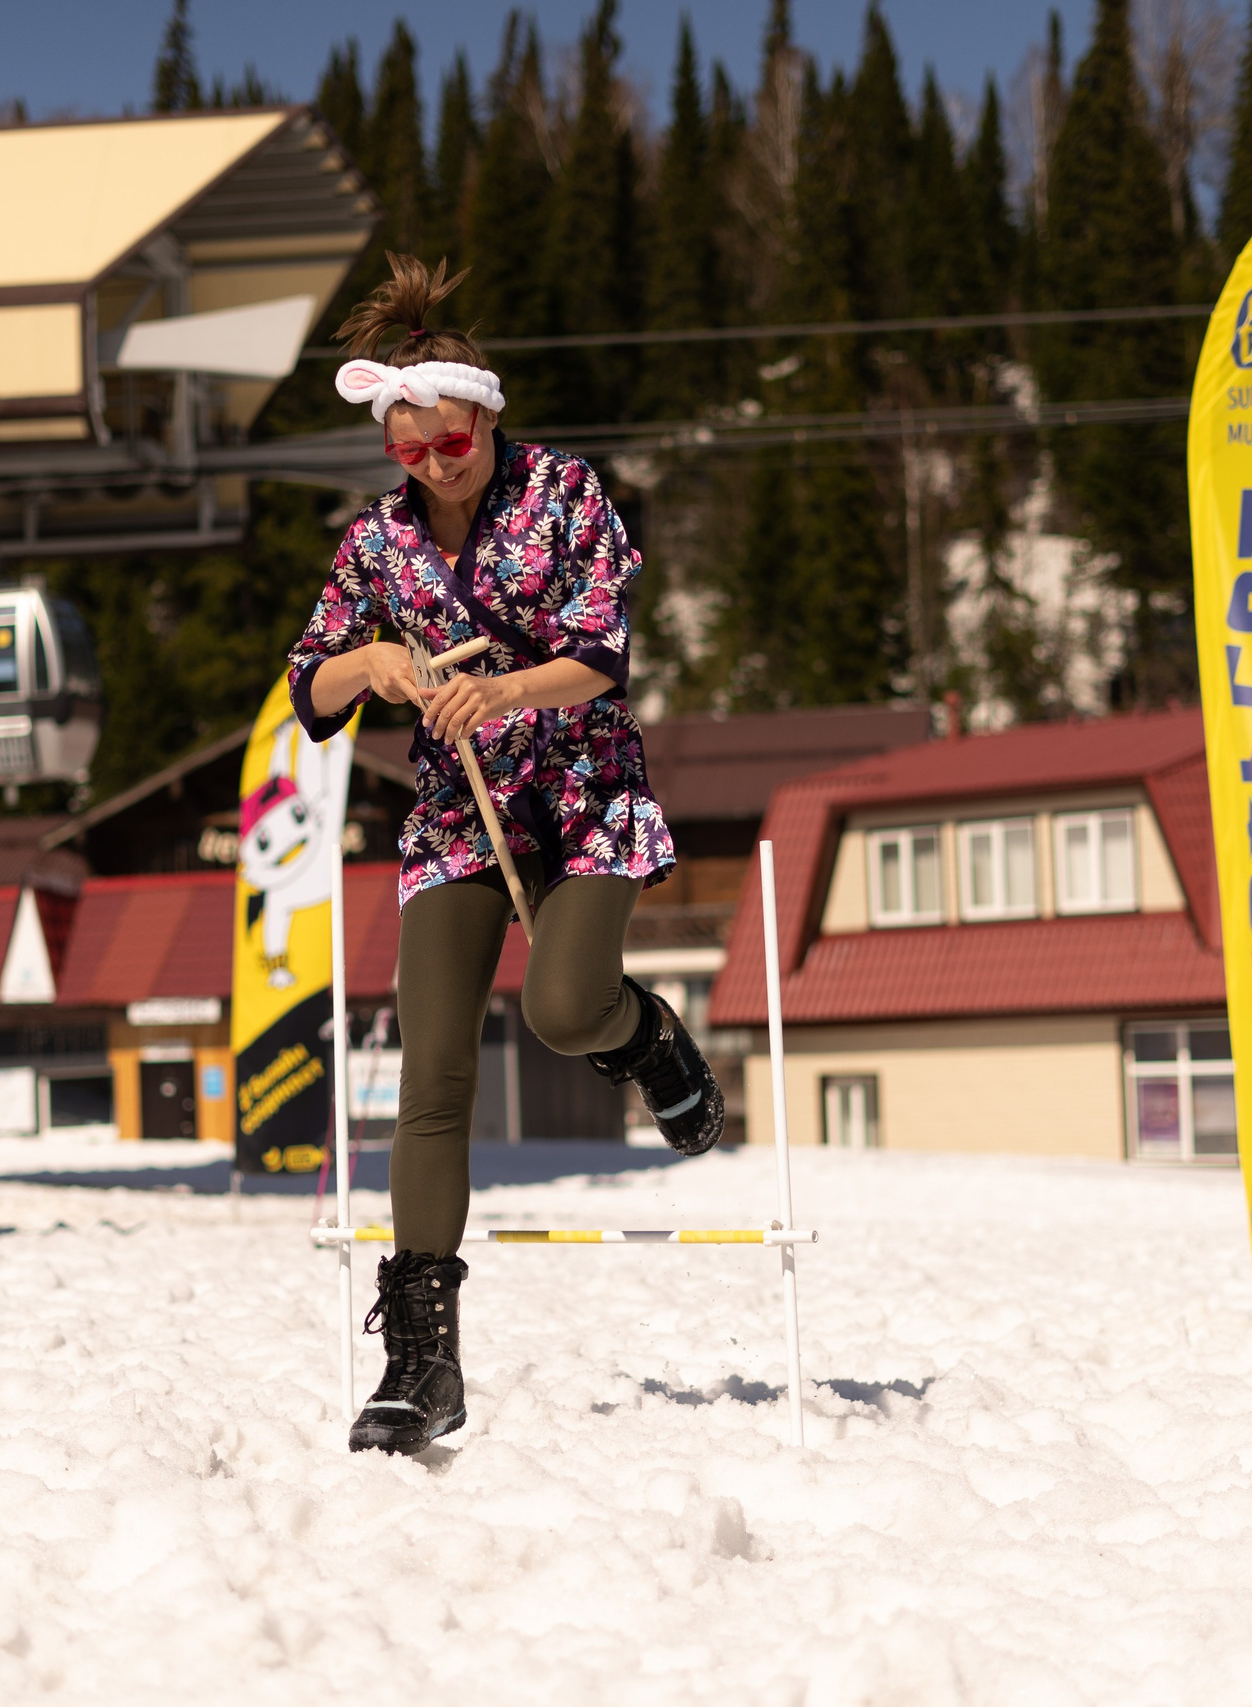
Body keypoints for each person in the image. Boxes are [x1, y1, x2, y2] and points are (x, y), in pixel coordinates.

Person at [288, 254, 727, 1456]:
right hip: (459, 816)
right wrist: (369, 666)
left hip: (580, 795)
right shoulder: (377, 545)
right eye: (411, 450)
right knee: (432, 1076)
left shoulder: (567, 494)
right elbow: (305, 679)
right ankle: (422, 1361)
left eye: (453, 441)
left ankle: (645, 1038)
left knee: (561, 1004)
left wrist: (504, 692)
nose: (436, 464)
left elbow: (600, 653)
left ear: (487, 416)